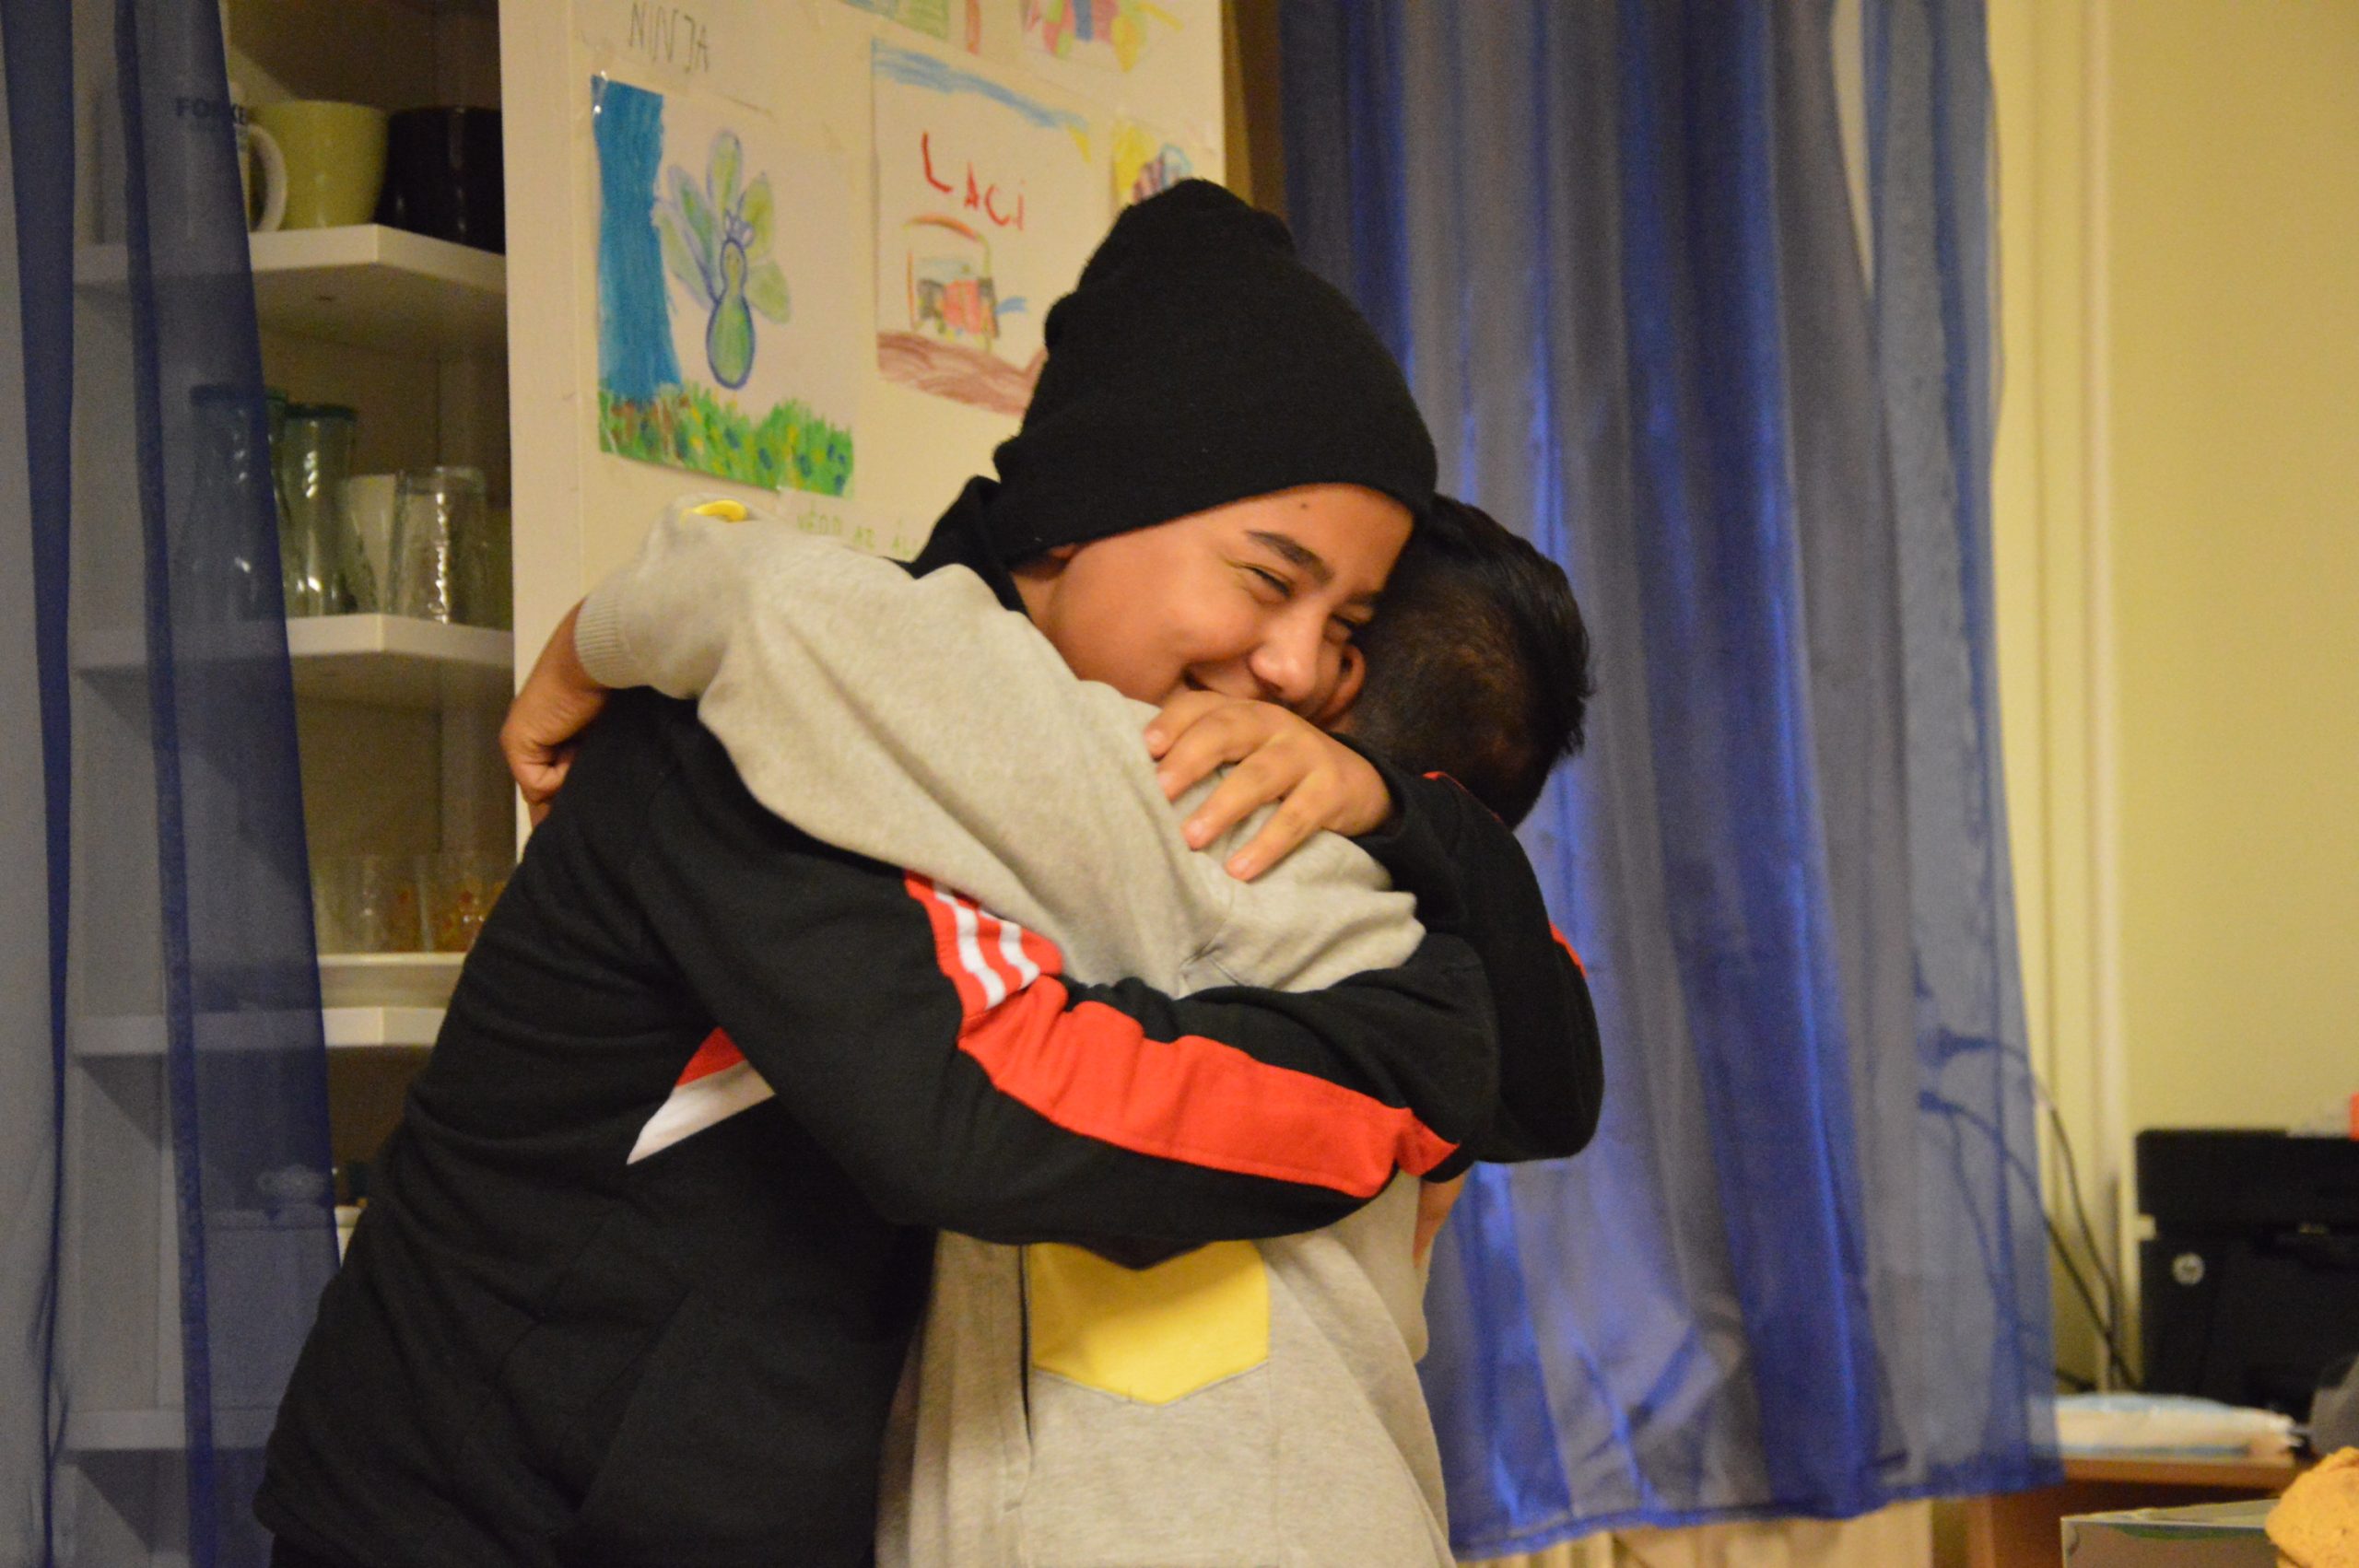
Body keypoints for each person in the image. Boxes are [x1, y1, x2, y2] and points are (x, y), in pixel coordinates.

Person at [258, 182, 1581, 1568]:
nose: (1302, 667)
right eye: (1267, 579)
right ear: (1085, 507)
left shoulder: (1089, 765)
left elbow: (1543, 1075)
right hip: (477, 1519)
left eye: (1346, 623)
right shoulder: (786, 723)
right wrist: (1406, 1062)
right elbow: (969, 1116)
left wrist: (1407, 830)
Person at [509, 490, 1600, 1565]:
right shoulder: (1437, 924)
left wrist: (600, 631)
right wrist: (1426, 820)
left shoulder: (1205, 824)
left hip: (1153, 1519)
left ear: (1331, 696)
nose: (1275, 660)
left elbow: (793, 614)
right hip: (1335, 1494)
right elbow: (1557, 1076)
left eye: (1332, 628)